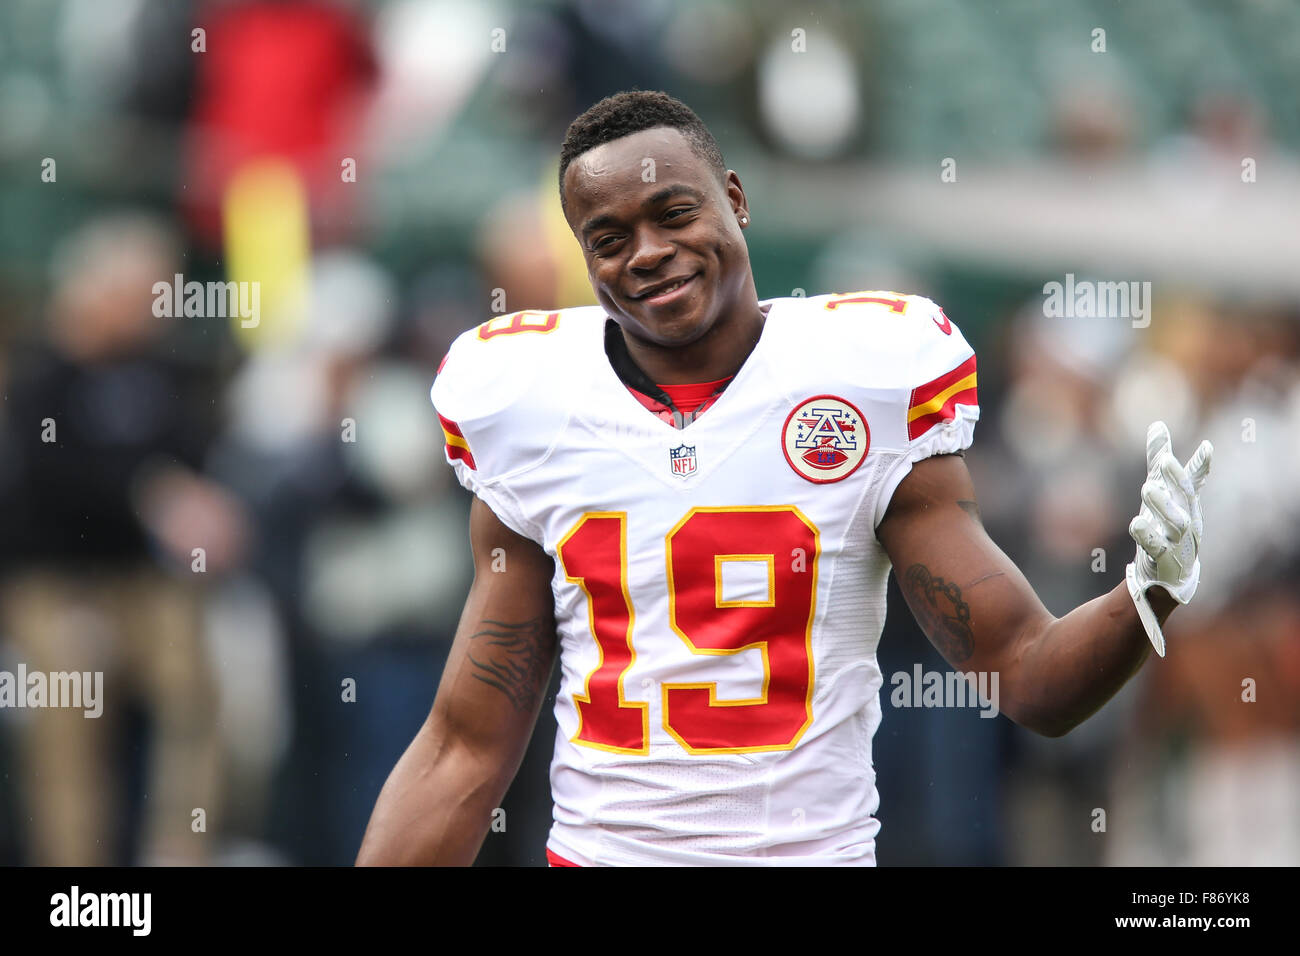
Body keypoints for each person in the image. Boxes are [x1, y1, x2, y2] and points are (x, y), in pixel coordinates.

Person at [356, 91, 1212, 866]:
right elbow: (465, 746)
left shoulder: (863, 378)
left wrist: (1147, 593)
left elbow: (1026, 672)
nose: (648, 254)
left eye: (674, 212)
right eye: (608, 240)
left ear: (735, 199)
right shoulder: (530, 402)